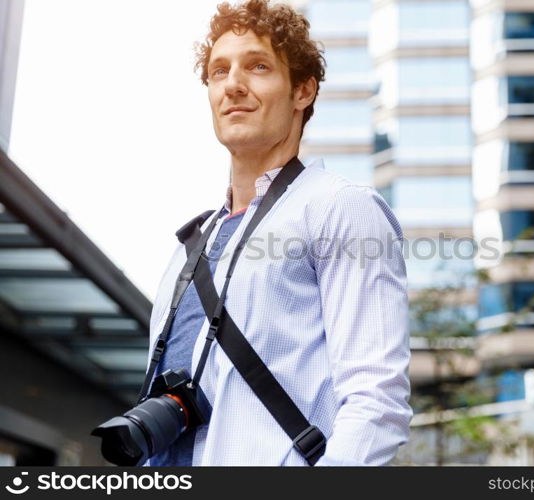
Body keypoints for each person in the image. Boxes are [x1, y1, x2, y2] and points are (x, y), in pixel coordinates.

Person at [145, 0, 412, 466]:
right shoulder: (191, 244)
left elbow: (376, 402)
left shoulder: (338, 207)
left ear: (302, 91)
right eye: (218, 71)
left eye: (258, 66)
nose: (233, 85)